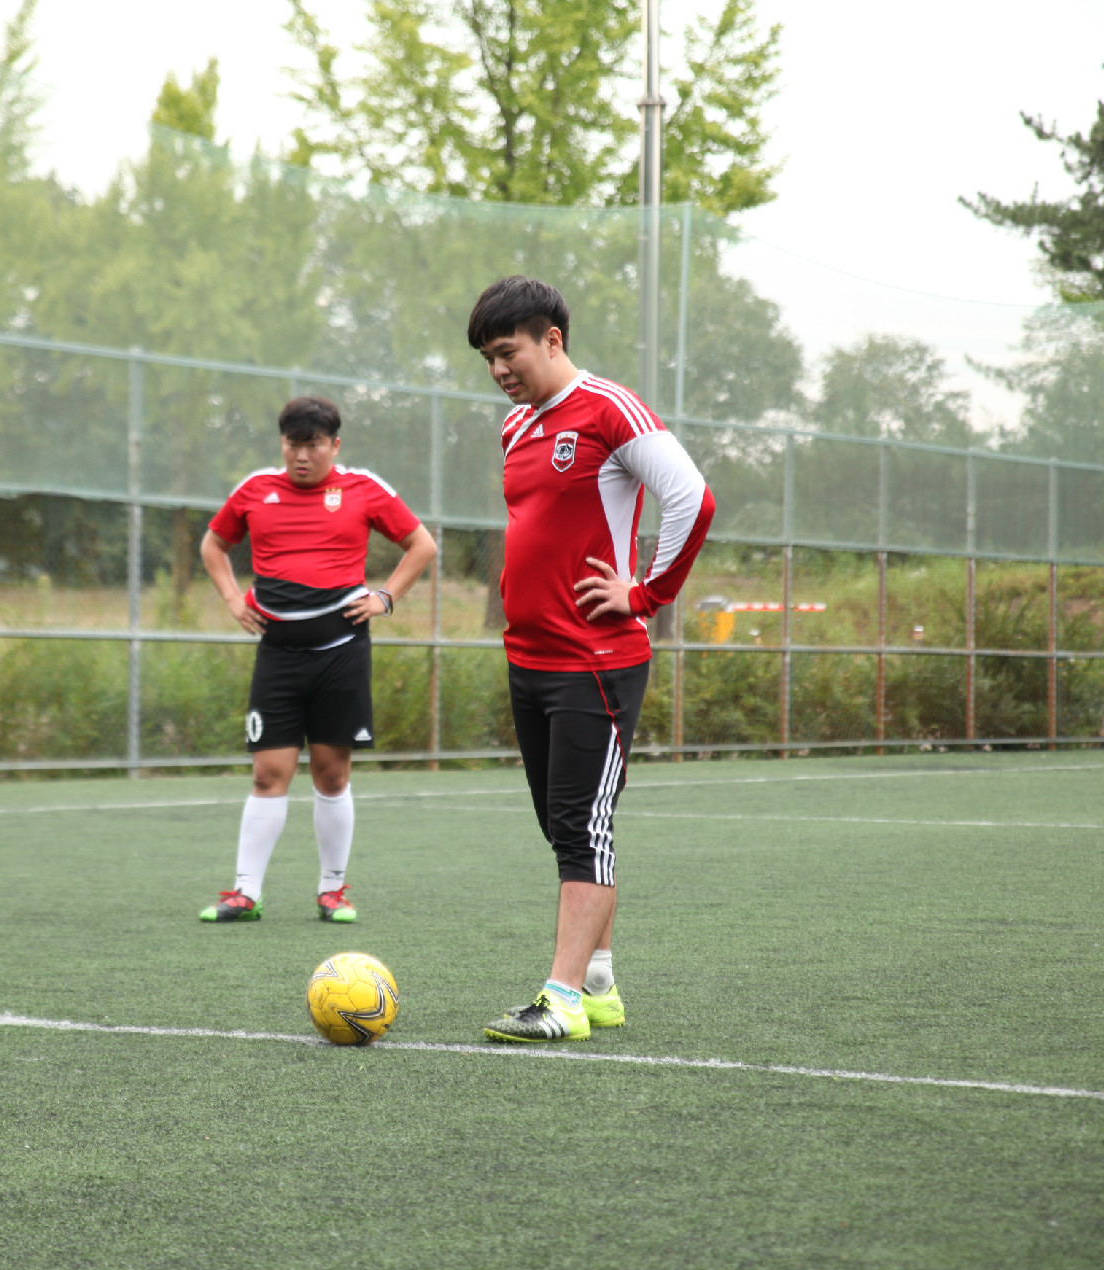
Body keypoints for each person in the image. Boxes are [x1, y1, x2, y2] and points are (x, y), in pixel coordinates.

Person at [468, 277, 716, 1042]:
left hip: (596, 658)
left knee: (581, 826)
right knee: (566, 827)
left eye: (507, 352)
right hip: (529, 659)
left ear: (552, 339)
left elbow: (692, 497)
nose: (498, 369)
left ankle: (563, 999)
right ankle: (600, 986)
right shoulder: (516, 427)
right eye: (487, 358)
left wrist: (645, 594)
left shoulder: (610, 408)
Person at [197, 396, 438, 924]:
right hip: (278, 655)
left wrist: (386, 597)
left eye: (313, 445)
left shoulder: (364, 488)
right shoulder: (256, 489)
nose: (301, 456)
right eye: (292, 444)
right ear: (282, 443)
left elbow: (421, 545)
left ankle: (332, 891)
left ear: (334, 444)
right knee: (268, 773)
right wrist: (234, 599)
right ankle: (246, 893)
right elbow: (213, 545)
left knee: (331, 775)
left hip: (341, 654)